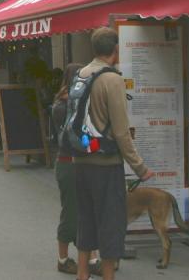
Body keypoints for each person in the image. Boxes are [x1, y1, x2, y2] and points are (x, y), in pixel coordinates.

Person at [74, 27, 151, 280]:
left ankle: (82, 273)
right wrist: (139, 167)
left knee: (85, 217)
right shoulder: (112, 79)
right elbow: (120, 132)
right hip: (106, 163)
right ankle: (108, 276)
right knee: (110, 222)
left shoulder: (82, 74)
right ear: (115, 50)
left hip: (81, 158)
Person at [51, 63, 101, 277]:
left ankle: (92, 258)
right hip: (69, 163)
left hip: (77, 164)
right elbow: (77, 137)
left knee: (86, 212)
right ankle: (63, 259)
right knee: (71, 213)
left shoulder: (69, 103)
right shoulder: (64, 105)